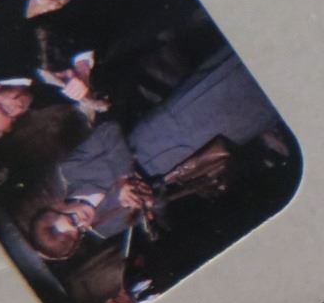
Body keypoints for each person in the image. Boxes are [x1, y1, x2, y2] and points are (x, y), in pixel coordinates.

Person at [23, 44, 287, 263]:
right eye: (79, 232)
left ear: (57, 205)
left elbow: (109, 131)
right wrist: (151, 201)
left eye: (70, 218)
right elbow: (159, 201)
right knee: (264, 105)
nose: (81, 222)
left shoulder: (74, 169)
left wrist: (123, 178)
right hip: (194, 153)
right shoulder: (104, 228)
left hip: (174, 124)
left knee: (239, 72)